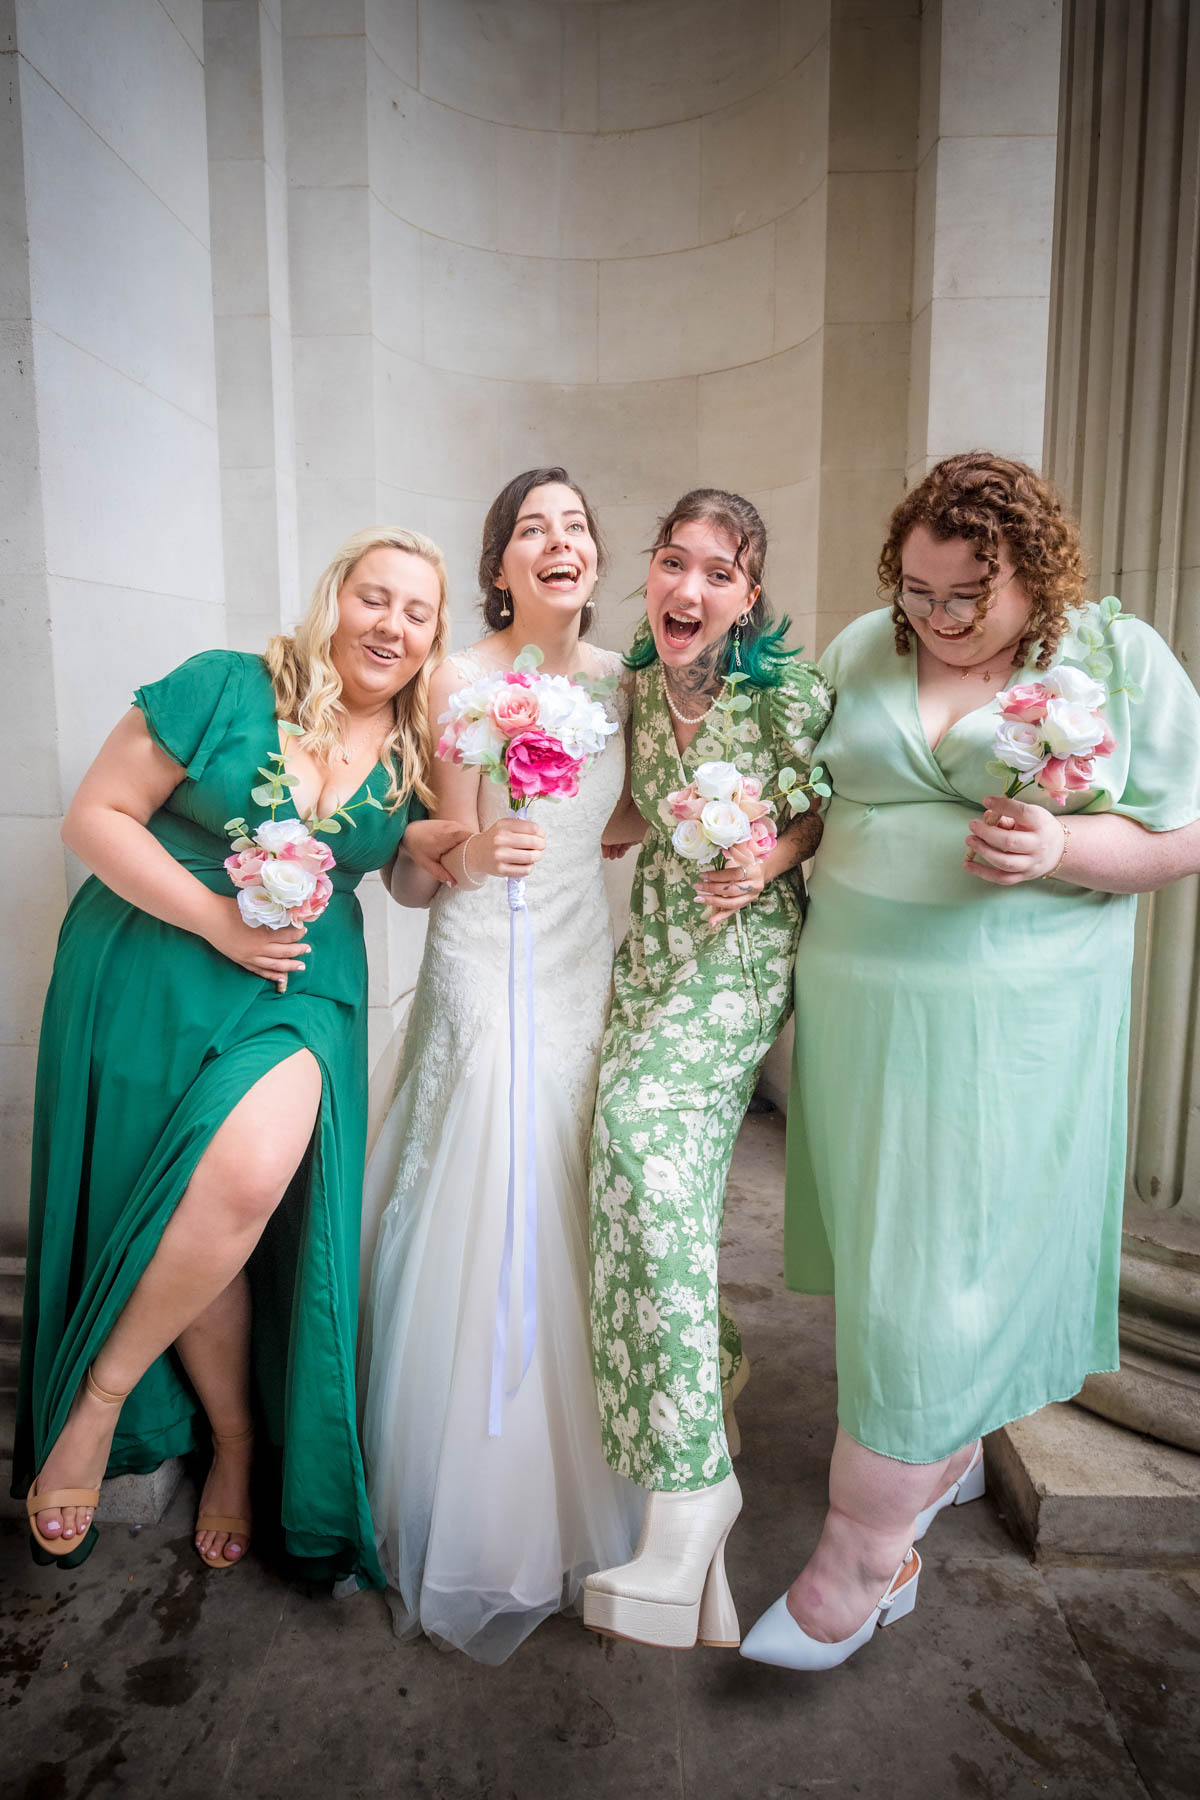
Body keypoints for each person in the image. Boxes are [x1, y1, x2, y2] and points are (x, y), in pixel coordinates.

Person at [741, 452, 1200, 1673]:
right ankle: (936, 1453)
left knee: (941, 1270)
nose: (937, 621)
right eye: (917, 593)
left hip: (1010, 1028)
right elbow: (817, 805)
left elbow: (1180, 831)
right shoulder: (859, 649)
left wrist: (1062, 844)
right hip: (861, 1013)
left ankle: (861, 1558)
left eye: (967, 598)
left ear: (1032, 576)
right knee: (903, 1259)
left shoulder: (1110, 657)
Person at [14, 527, 464, 1582]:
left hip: (299, 986)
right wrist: (219, 920)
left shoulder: (416, 747)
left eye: (417, 611)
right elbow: (96, 817)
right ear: (334, 600)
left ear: (434, 637)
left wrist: (429, 858)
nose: (390, 624)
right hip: (152, 963)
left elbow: (396, 877)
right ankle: (235, 1440)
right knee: (197, 1207)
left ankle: (98, 1402)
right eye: (374, 597)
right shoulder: (222, 686)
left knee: (251, 1171)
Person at [356, 468, 643, 1664]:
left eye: (576, 522)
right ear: (502, 565)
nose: (558, 538)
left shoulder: (626, 683)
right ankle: (473, 1505)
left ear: (592, 557)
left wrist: (586, 847)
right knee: (489, 1163)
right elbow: (412, 870)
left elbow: (629, 819)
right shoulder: (458, 681)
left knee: (574, 1175)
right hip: (483, 962)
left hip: (580, 964)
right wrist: (472, 849)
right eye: (534, 526)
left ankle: (591, 1475)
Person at [583, 488, 832, 1650]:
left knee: (640, 1135)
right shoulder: (629, 689)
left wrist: (768, 850)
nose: (688, 590)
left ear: (751, 595)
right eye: (673, 563)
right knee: (646, 1177)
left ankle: (694, 1493)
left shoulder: (786, 695)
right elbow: (625, 803)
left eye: (718, 574)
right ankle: (711, 1383)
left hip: (741, 956)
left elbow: (823, 815)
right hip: (652, 955)